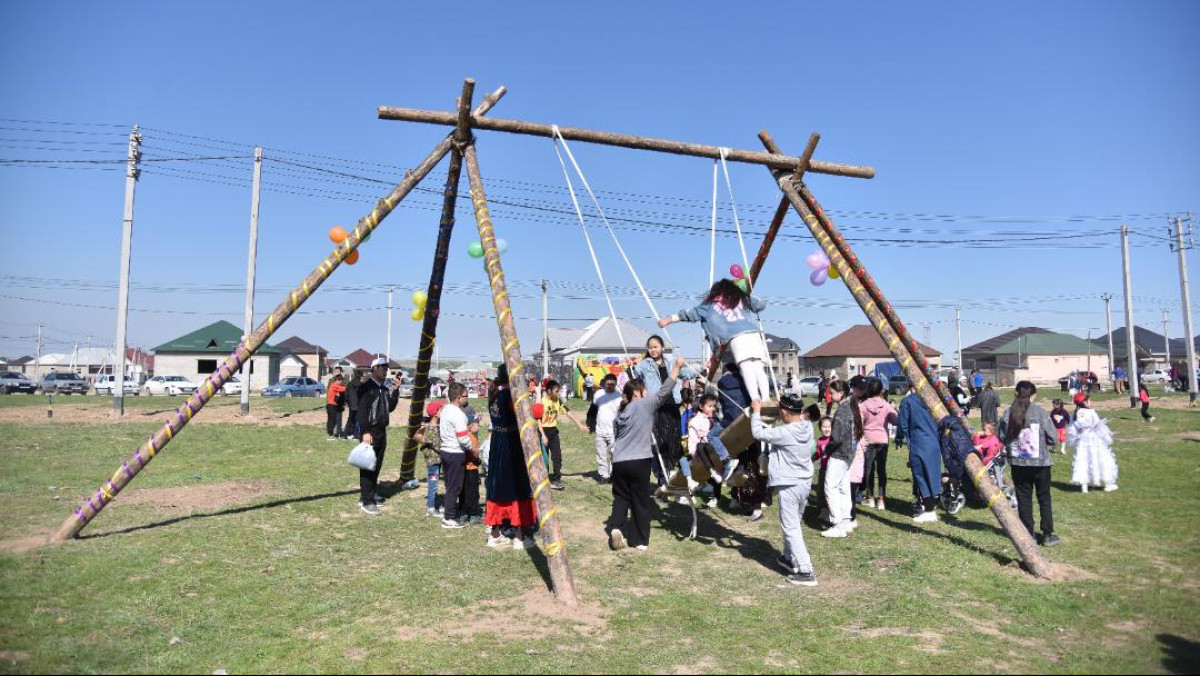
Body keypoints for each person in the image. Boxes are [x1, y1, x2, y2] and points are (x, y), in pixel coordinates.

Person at [607, 356, 685, 552]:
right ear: (637, 392)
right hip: (639, 460)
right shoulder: (644, 404)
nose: (647, 392)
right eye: (644, 390)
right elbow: (665, 391)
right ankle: (639, 540)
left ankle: (616, 527)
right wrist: (675, 367)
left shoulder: (620, 414)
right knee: (640, 500)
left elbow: (617, 437)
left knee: (621, 497)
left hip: (619, 461)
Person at [658, 279, 771, 403]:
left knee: (746, 367)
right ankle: (766, 398)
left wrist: (668, 319)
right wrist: (748, 293)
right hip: (753, 333)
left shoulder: (710, 305)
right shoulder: (739, 297)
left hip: (736, 337)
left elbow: (690, 314)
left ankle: (755, 399)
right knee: (758, 368)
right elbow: (760, 305)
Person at [751, 395, 818, 587]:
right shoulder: (806, 426)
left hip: (789, 485)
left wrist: (756, 411)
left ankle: (806, 571)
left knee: (791, 527)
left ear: (785, 412)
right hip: (804, 483)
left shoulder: (785, 432)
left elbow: (757, 433)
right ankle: (788, 557)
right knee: (794, 523)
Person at [633, 335, 699, 496]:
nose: (653, 349)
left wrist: (703, 368)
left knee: (675, 444)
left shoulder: (671, 363)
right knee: (658, 444)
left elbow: (686, 373)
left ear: (662, 347)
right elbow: (635, 377)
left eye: (656, 346)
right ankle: (663, 482)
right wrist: (633, 365)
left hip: (672, 408)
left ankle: (678, 479)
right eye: (650, 347)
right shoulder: (644, 365)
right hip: (656, 408)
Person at [484, 365, 539, 550]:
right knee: (517, 485)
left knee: (497, 485)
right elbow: (525, 417)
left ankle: (495, 533)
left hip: (497, 443)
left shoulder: (493, 395)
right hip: (511, 443)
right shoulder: (510, 397)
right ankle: (519, 536)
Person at [999, 381, 1059, 546]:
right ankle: (1047, 534)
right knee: (1044, 498)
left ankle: (1028, 534)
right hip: (1040, 464)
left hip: (1018, 465)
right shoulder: (1040, 412)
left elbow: (1001, 437)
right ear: (1034, 395)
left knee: (1024, 499)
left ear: (1015, 394)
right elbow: (1053, 437)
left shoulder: (1007, 413)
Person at [355, 358, 402, 515]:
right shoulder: (366, 388)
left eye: (386, 368)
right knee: (368, 466)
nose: (385, 370)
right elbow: (361, 411)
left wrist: (396, 389)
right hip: (370, 431)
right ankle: (366, 500)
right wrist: (365, 432)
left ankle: (371, 492)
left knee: (377, 464)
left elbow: (391, 407)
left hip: (382, 430)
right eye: (382, 368)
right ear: (374, 369)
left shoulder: (384, 389)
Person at [895, 386, 942, 522]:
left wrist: (899, 439)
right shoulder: (933, 400)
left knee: (921, 475)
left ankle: (928, 510)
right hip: (934, 442)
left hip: (919, 442)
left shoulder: (908, 401)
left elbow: (902, 424)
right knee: (932, 474)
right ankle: (930, 506)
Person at [822, 380, 861, 538]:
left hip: (839, 454)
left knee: (830, 487)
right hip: (849, 454)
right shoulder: (850, 408)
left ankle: (838, 523)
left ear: (841, 393)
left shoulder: (842, 411)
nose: (829, 396)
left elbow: (836, 438)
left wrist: (827, 449)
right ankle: (846, 520)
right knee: (844, 487)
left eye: (832, 393)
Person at [538, 379, 587, 491]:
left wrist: (579, 425)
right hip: (543, 431)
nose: (558, 393)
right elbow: (538, 420)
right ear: (549, 390)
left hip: (553, 432)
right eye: (556, 391)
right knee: (544, 459)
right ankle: (543, 480)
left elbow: (568, 413)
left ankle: (556, 480)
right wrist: (543, 435)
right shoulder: (542, 401)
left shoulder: (558, 400)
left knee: (557, 457)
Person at [438, 383, 474, 529]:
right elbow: (463, 439)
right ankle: (449, 517)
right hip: (455, 453)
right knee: (454, 487)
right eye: (466, 395)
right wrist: (472, 449)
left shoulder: (445, 409)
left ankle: (448, 509)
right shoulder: (459, 414)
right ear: (459, 398)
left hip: (445, 451)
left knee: (449, 484)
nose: (467, 398)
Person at [1068, 392, 1118, 493]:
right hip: (1094, 439)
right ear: (1085, 402)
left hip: (1082, 440)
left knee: (1083, 460)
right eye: (1089, 400)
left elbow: (1073, 428)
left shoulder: (1076, 413)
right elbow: (1097, 424)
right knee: (1101, 458)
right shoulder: (1091, 412)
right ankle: (1108, 484)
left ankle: (1084, 486)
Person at [859, 377, 897, 511]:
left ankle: (870, 498)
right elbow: (895, 421)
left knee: (868, 469)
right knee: (882, 470)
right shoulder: (886, 405)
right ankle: (882, 499)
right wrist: (894, 409)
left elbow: (859, 423)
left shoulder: (863, 405)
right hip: (882, 440)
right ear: (881, 390)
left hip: (868, 439)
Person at [588, 374, 622, 484]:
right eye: (608, 384)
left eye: (612, 384)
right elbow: (593, 410)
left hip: (613, 431)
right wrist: (591, 424)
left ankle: (613, 474)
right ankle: (604, 475)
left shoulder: (619, 396)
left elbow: (622, 414)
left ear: (616, 384)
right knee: (601, 454)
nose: (610, 386)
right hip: (600, 430)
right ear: (604, 383)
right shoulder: (598, 394)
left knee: (614, 454)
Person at [414, 400, 445, 517]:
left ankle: (433, 505)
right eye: (441, 409)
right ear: (435, 413)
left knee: (434, 484)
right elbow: (438, 446)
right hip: (433, 463)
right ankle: (431, 507)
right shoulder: (431, 429)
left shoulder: (435, 427)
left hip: (437, 461)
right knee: (433, 484)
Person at [343, 372, 367, 440]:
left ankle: (347, 434)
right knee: (357, 420)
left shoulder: (350, 384)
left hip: (351, 405)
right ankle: (355, 434)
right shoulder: (361, 385)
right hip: (358, 405)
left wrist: (348, 402)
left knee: (350, 419)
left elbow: (346, 395)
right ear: (360, 377)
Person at [325, 374, 347, 441]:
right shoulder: (335, 385)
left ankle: (330, 434)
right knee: (333, 421)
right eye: (341, 381)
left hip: (329, 405)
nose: (341, 383)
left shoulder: (333, 385)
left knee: (330, 420)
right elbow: (344, 389)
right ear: (338, 380)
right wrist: (349, 386)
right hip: (332, 405)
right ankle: (330, 435)